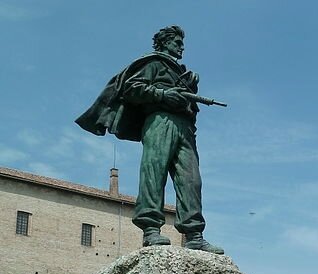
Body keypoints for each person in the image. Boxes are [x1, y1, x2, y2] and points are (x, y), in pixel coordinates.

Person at [76, 25, 224, 254]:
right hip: (159, 121)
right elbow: (131, 88)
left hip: (184, 127)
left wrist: (188, 85)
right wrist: (164, 94)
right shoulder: (153, 63)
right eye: (177, 42)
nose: (181, 47)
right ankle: (151, 229)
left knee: (191, 180)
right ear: (164, 42)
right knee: (154, 173)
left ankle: (194, 234)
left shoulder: (180, 71)